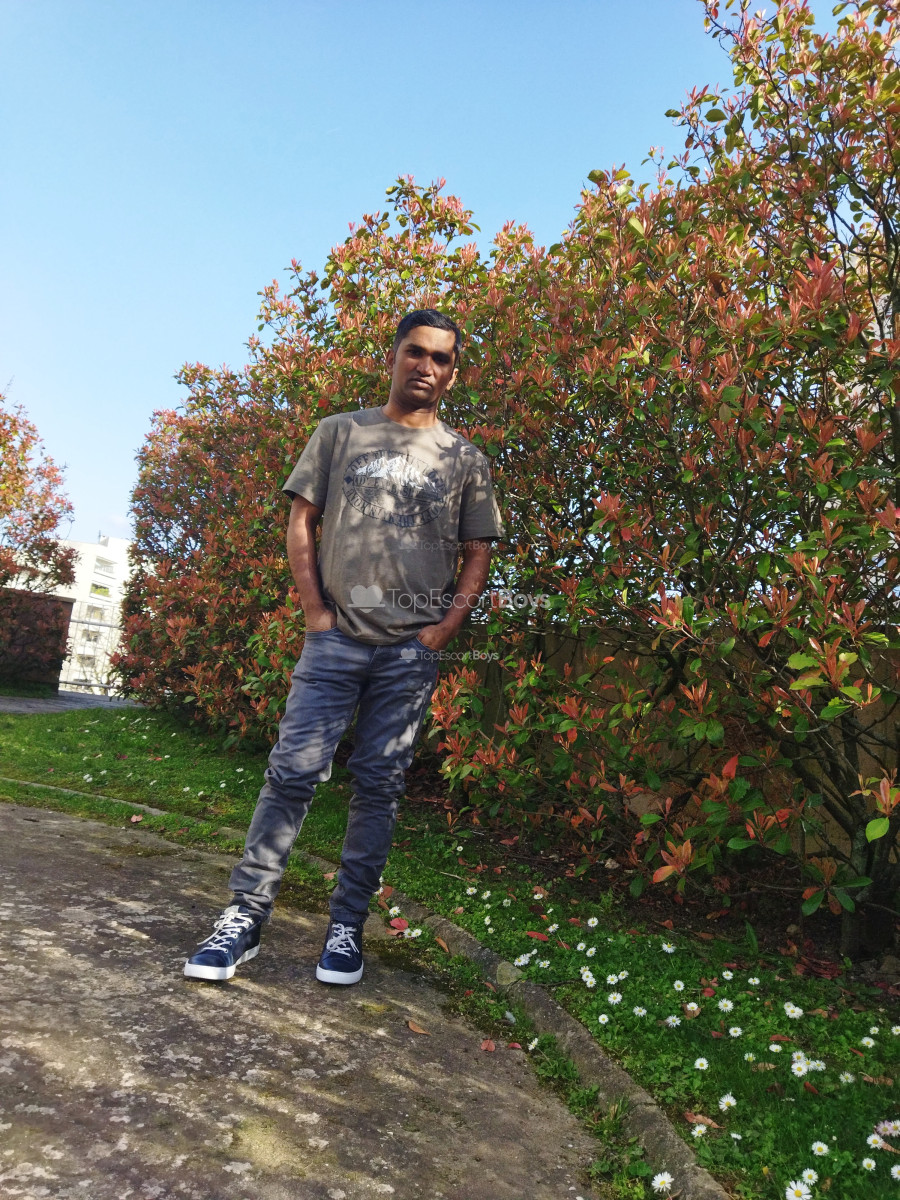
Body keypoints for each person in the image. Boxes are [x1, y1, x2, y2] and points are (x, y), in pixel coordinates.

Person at [184, 309, 503, 985]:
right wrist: (314, 612)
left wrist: (444, 630)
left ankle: (347, 927)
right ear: (394, 356)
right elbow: (302, 518)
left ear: (453, 373)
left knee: (380, 788)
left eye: (441, 358)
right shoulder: (340, 432)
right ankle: (244, 917)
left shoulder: (464, 459)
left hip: (408, 653)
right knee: (292, 774)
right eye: (415, 351)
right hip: (335, 643)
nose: (426, 366)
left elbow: (477, 551)